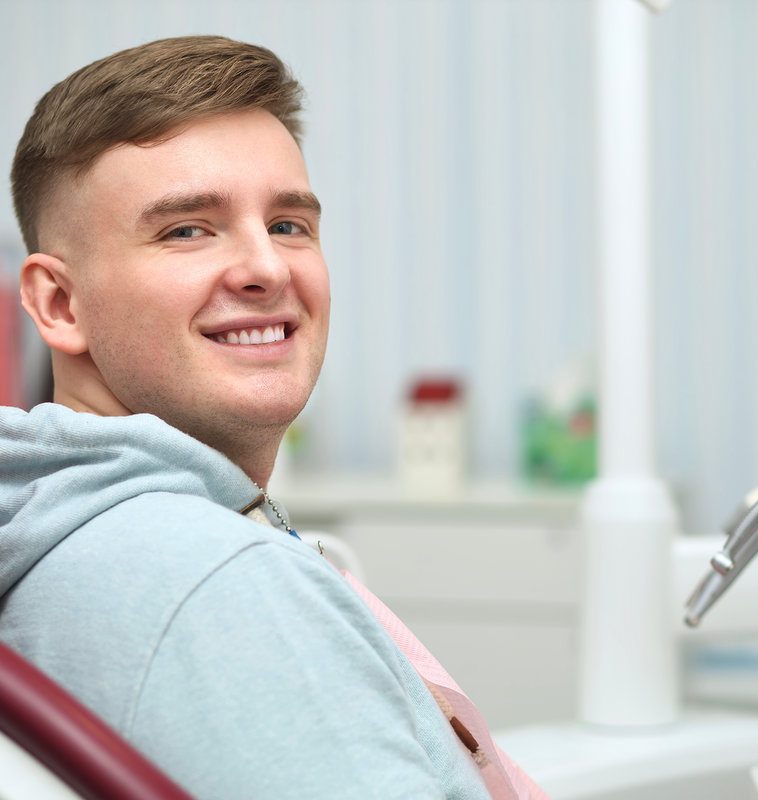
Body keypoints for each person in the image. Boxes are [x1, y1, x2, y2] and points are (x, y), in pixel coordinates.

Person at [0, 36, 545, 799]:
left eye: (289, 225)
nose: (266, 267)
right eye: (187, 229)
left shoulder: (89, 529)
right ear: (60, 304)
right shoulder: (211, 582)